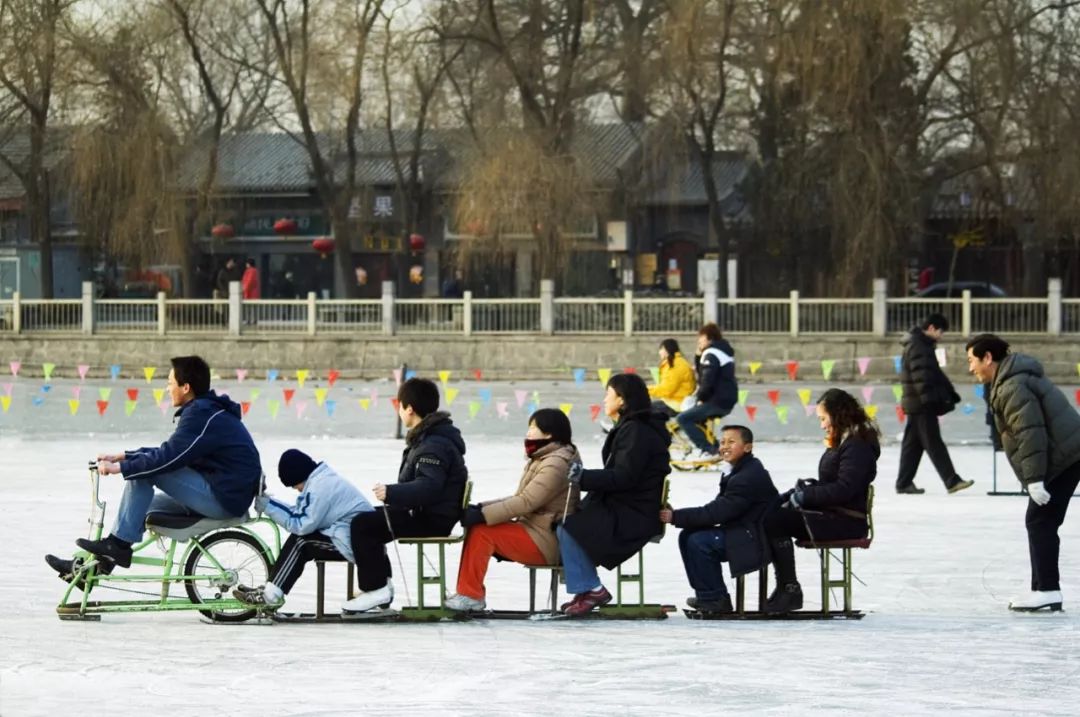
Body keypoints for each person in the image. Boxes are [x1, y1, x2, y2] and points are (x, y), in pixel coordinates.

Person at [46, 356, 261, 573]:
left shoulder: (202, 414)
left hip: (224, 499)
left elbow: (168, 458)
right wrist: (122, 456)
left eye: (170, 383)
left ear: (185, 387)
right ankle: (89, 569)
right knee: (138, 509)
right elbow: (170, 452)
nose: (167, 389)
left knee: (145, 472)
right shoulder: (205, 411)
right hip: (220, 489)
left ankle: (117, 546)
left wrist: (122, 468)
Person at [966, 333, 1080, 611]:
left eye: (972, 360)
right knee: (1042, 521)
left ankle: (1048, 589)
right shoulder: (1011, 379)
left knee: (1039, 521)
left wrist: (1035, 480)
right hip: (1067, 453)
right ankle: (1042, 588)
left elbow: (1031, 434)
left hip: (1065, 456)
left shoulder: (1012, 386)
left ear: (988, 358)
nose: (970, 368)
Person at [343, 378, 468, 613]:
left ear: (409, 409)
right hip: (426, 513)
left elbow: (429, 487)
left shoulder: (433, 444)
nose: (399, 411)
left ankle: (375, 588)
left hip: (431, 518)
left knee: (362, 524)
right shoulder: (429, 439)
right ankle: (381, 586)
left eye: (399, 406)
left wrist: (391, 492)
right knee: (368, 518)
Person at [444, 409, 581, 612]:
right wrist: (482, 508)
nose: (528, 433)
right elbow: (520, 497)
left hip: (546, 540)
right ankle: (468, 592)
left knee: (483, 532)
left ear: (549, 434)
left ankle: (471, 595)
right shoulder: (543, 458)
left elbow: (526, 502)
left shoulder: (556, 464)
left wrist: (482, 515)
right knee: (480, 527)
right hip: (536, 530)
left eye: (533, 428)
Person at [557, 373, 671, 616]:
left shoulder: (637, 432)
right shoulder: (631, 427)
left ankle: (592, 588)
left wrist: (583, 477)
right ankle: (584, 588)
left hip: (633, 511)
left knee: (568, 526)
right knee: (567, 520)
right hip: (626, 502)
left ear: (622, 400)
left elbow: (624, 476)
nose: (604, 400)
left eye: (608, 395)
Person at [763, 388, 878, 615]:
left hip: (845, 520)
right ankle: (785, 587)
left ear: (838, 415)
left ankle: (790, 588)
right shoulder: (845, 441)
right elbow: (832, 482)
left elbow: (845, 489)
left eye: (823, 418)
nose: (822, 425)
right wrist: (800, 491)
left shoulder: (857, 446)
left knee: (775, 521)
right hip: (834, 513)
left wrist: (807, 496)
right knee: (771, 511)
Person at [233, 449, 373, 608]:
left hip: (357, 545)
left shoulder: (319, 489)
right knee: (301, 538)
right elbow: (301, 514)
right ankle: (272, 590)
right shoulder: (322, 480)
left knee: (301, 542)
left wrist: (268, 506)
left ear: (299, 475)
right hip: (352, 537)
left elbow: (300, 525)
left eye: (295, 485)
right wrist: (270, 504)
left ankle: (270, 596)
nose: (297, 490)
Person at [661, 424, 778, 614]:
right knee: (688, 535)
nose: (724, 446)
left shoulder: (746, 476)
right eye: (722, 442)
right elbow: (718, 509)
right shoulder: (737, 470)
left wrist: (676, 516)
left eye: (731, 442)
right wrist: (679, 517)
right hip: (742, 531)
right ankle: (707, 595)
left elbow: (717, 513)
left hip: (754, 538)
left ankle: (716, 599)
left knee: (699, 541)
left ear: (748, 447)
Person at [895, 313, 973, 495]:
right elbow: (921, 375)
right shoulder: (919, 346)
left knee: (912, 444)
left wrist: (949, 393)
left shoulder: (921, 345)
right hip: (921, 403)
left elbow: (934, 374)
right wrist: (929, 400)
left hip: (917, 402)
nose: (941, 336)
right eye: (940, 331)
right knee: (933, 442)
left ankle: (904, 482)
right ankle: (951, 480)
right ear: (931, 328)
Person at [675, 323, 737, 462]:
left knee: (683, 418)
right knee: (697, 418)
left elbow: (707, 379)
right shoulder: (723, 351)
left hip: (716, 400)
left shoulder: (711, 353)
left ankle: (708, 449)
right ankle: (715, 448)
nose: (699, 341)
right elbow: (703, 372)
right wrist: (698, 356)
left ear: (709, 338)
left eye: (701, 338)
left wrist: (701, 398)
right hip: (726, 399)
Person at [648, 338, 696, 417]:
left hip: (676, 404)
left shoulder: (675, 365)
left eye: (661, 349)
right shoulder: (676, 362)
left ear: (666, 350)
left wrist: (645, 390)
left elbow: (666, 390)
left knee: (642, 410)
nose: (659, 352)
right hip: (674, 401)